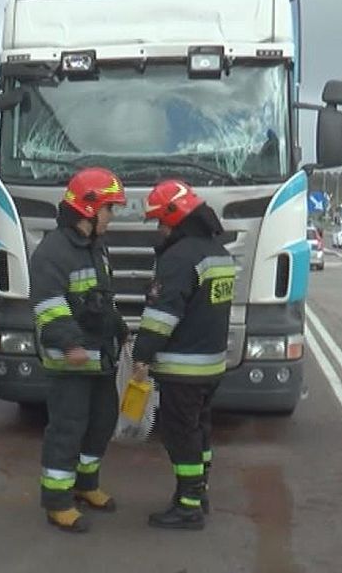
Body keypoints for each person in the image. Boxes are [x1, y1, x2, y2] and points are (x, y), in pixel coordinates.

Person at [131, 180, 234, 530]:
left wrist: (141, 355)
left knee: (180, 435)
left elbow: (163, 317)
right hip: (212, 365)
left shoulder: (179, 258)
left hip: (183, 369)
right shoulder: (219, 252)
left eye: (161, 222)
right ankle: (198, 492)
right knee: (200, 432)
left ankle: (188, 505)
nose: (159, 230)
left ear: (175, 217)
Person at [30, 167, 129, 533]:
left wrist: (120, 328)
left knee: (100, 424)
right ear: (89, 208)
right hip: (70, 363)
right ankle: (57, 501)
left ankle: (86, 486)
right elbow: (48, 306)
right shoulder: (53, 252)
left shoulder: (96, 248)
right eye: (110, 209)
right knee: (67, 430)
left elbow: (102, 300)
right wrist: (71, 343)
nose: (112, 217)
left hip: (99, 359)